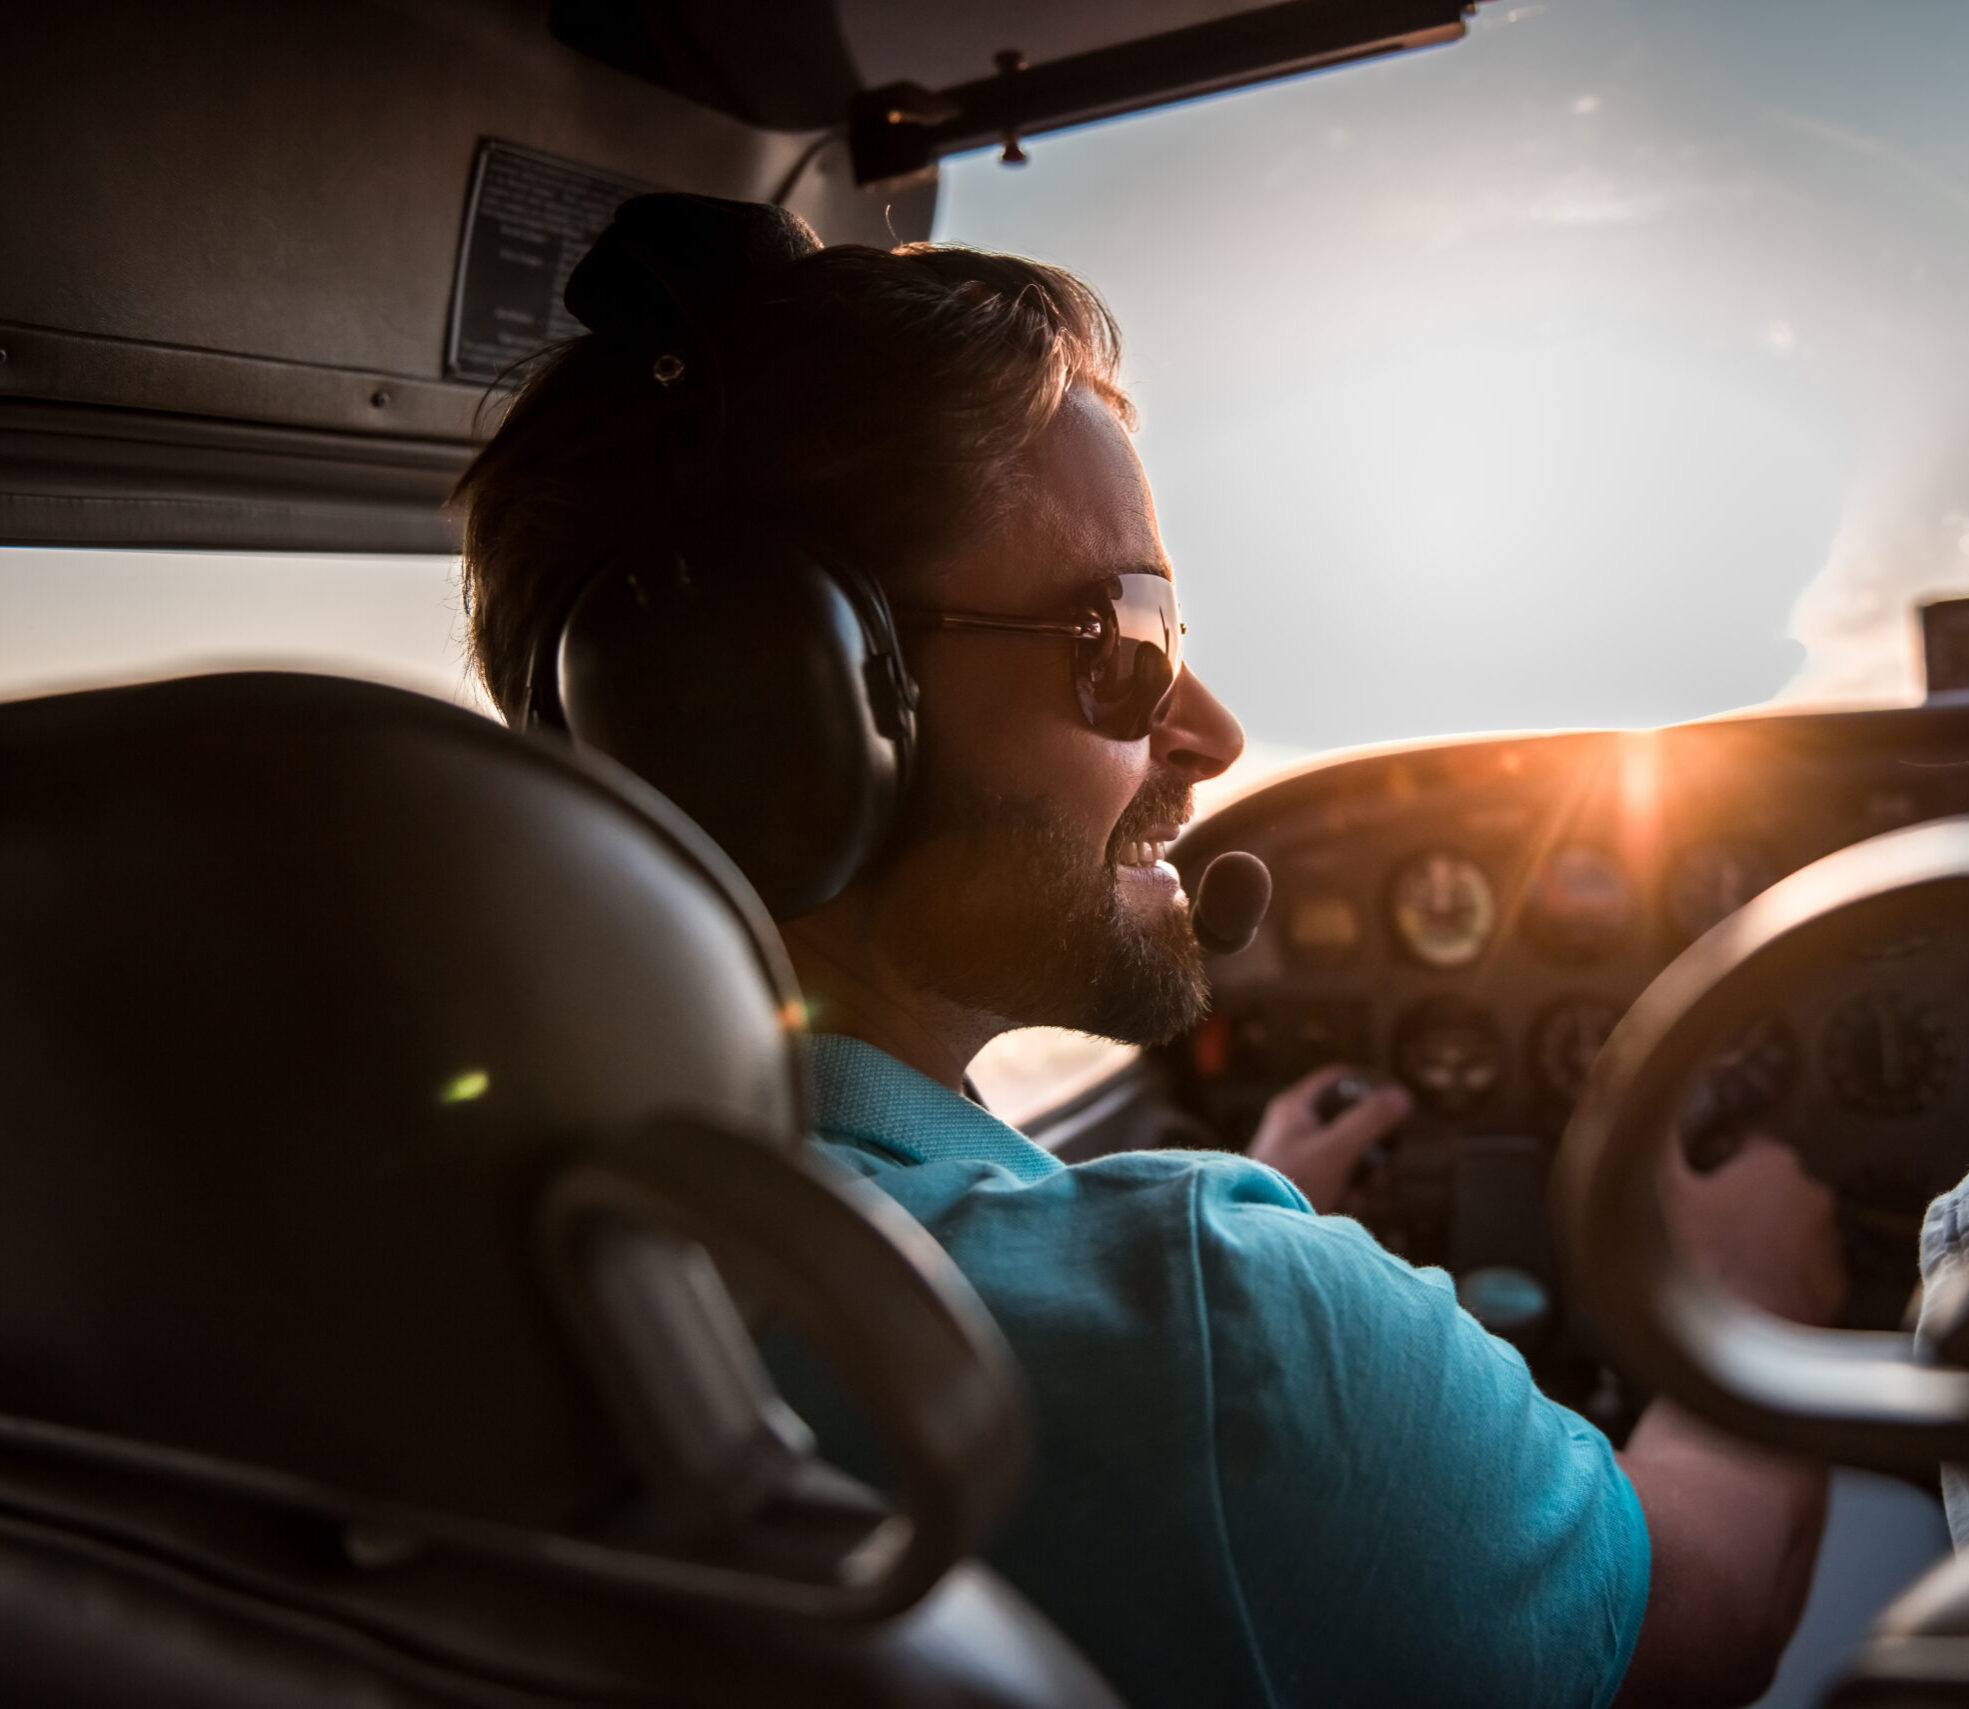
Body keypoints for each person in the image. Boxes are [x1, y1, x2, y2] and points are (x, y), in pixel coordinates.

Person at [454, 194, 1846, 1708]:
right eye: (1122, 641)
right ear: (769, 711)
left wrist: (1199, 1227)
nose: (1213, 731)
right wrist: (1743, 1309)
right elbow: (1702, 1619)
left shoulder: (432, 1247)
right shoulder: (1217, 1326)